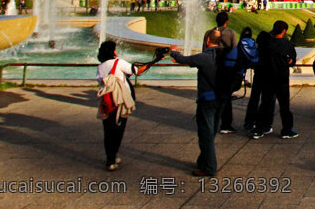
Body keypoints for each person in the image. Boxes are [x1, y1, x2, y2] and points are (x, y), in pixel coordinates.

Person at [169, 32, 227, 177]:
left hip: (207, 99)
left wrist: (174, 52)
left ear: (207, 40)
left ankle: (209, 167)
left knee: (205, 133)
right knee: (211, 131)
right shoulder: (223, 55)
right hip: (222, 98)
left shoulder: (205, 57)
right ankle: (204, 161)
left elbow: (183, 59)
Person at [95, 40, 156, 171]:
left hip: (107, 102)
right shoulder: (119, 63)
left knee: (108, 131)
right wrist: (154, 60)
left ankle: (110, 159)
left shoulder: (100, 67)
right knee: (118, 130)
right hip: (120, 101)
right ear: (113, 51)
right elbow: (137, 71)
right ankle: (113, 157)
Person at [252, 20, 298, 139]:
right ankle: (286, 130)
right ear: (284, 31)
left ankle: (259, 129)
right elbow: (292, 60)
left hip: (267, 77)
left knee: (265, 104)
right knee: (284, 106)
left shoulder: (266, 41)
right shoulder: (286, 43)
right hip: (281, 78)